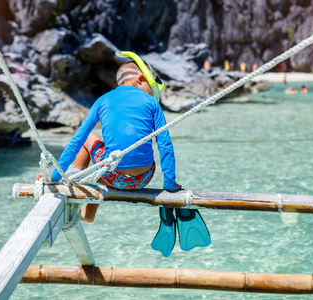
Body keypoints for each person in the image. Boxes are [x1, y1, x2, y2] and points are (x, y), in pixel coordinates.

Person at [37, 51, 210, 257]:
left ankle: (73, 188)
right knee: (112, 157)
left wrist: (55, 177)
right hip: (143, 178)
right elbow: (165, 146)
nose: (153, 94)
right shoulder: (153, 104)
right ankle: (88, 211)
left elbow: (76, 140)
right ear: (140, 79)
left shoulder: (103, 100)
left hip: (112, 176)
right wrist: (170, 186)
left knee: (91, 140)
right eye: (152, 87)